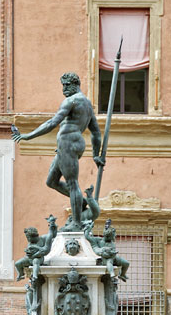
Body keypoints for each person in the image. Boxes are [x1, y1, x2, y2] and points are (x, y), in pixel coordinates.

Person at [12, 72, 103, 232]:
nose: (64, 89)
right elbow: (95, 132)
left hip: (68, 142)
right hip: (70, 143)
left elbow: (53, 122)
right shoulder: (88, 104)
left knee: (72, 183)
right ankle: (80, 203)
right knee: (51, 181)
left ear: (76, 84)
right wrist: (96, 154)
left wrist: (28, 136)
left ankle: (76, 222)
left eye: (67, 85)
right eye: (63, 85)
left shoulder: (71, 101)